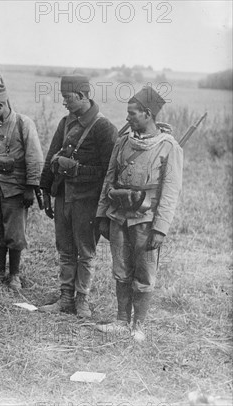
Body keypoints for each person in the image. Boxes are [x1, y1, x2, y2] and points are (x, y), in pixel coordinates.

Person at [95, 86, 183, 341]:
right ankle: (122, 320)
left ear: (147, 114)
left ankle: (138, 326)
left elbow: (170, 193)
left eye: (132, 113)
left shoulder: (169, 147)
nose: (127, 118)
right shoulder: (123, 141)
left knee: (144, 274)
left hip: (146, 219)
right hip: (118, 216)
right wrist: (102, 215)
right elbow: (109, 179)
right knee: (121, 270)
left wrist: (160, 228)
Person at [38, 75, 117, 317]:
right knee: (65, 249)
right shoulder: (65, 123)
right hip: (64, 197)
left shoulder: (104, 128)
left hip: (87, 201)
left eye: (67, 98)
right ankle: (65, 299)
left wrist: (76, 169)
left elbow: (109, 172)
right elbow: (52, 154)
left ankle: (82, 299)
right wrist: (46, 189)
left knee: (86, 251)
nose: (64, 103)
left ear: (82, 97)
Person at [0, 82, 44, 290]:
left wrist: (30, 187)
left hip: (15, 187)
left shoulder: (24, 124)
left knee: (15, 232)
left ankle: (14, 274)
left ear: (1, 104)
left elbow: (34, 157)